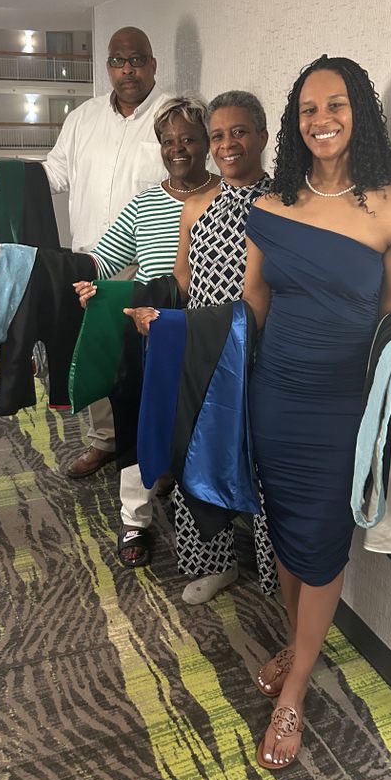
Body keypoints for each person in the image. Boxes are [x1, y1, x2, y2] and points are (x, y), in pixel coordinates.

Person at [242, 55, 391, 770]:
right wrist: (178, 334)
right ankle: (297, 645)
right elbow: (252, 307)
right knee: (288, 529)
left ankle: (294, 687)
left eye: (336, 106)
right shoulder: (270, 206)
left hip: (341, 407)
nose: (321, 120)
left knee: (323, 542)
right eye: (307, 110)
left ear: (359, 113)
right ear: (295, 124)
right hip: (274, 396)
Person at [0, 27, 172, 479]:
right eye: (117, 61)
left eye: (136, 60)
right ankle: (106, 441)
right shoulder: (83, 118)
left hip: (149, 264)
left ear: (153, 64)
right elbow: (52, 174)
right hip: (90, 258)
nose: (126, 69)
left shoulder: (173, 116)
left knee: (146, 363)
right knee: (91, 353)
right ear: (107, 67)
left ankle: (157, 450)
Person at [126, 91, 278, 605]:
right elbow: (184, 276)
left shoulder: (282, 202)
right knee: (198, 452)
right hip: (203, 348)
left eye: (239, 131)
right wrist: (169, 325)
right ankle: (213, 563)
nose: (228, 143)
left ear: (261, 134)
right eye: (218, 135)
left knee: (259, 461)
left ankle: (273, 568)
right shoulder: (197, 203)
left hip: (260, 353)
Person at [72, 95, 219, 566]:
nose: (178, 149)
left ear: (207, 144)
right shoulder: (146, 201)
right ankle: (134, 522)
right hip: (150, 335)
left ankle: (194, 515)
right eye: (168, 141)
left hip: (210, 335)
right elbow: (104, 257)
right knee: (139, 425)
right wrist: (60, 274)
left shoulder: (227, 196)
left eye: (189, 139)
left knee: (200, 429)